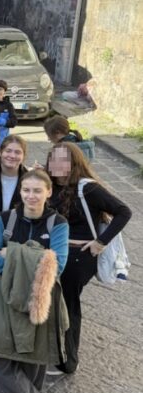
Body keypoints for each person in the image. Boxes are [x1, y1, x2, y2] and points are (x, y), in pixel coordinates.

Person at [0, 170, 69, 393]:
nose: (31, 196)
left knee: (32, 365)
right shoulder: (6, 218)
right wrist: (34, 260)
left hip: (40, 301)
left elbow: (57, 265)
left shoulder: (58, 223)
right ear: (20, 191)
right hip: (6, 299)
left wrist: (12, 254)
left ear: (49, 192)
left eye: (37, 191)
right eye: (26, 190)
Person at [46, 142, 132, 375]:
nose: (57, 163)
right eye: (53, 158)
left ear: (74, 163)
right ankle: (54, 351)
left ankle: (68, 361)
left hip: (78, 257)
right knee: (55, 303)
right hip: (55, 253)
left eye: (63, 159)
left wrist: (101, 242)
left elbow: (124, 211)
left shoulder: (87, 188)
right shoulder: (52, 185)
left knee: (69, 305)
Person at [0, 135, 29, 214]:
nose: (12, 156)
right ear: (0, 152)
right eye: (8, 151)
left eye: (17, 152)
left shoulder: (30, 180)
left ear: (24, 156)